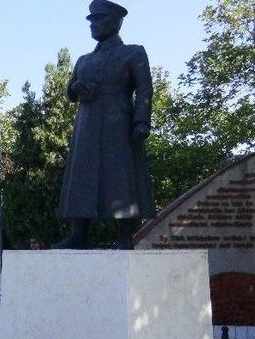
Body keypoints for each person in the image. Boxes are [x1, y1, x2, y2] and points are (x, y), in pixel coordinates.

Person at [53, 0, 155, 250]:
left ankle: (124, 236)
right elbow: (70, 90)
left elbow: (144, 88)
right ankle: (79, 234)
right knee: (82, 176)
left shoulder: (133, 52)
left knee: (121, 176)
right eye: (92, 20)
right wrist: (76, 89)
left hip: (118, 122)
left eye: (99, 19)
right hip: (87, 122)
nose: (94, 25)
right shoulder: (83, 60)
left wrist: (141, 120)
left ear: (117, 22)